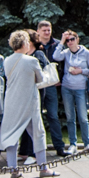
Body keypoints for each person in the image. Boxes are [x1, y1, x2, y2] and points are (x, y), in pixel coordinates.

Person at [0, 30, 57, 178]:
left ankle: (13, 169)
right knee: (38, 133)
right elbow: (41, 79)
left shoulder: (7, 60)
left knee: (11, 135)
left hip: (12, 101)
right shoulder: (31, 61)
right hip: (29, 101)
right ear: (25, 43)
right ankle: (43, 168)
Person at [56, 30, 89, 153]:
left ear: (77, 39)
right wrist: (61, 41)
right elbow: (56, 56)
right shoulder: (66, 52)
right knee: (70, 118)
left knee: (83, 118)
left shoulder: (85, 52)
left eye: (72, 39)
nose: (70, 42)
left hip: (81, 89)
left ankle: (87, 144)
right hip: (67, 88)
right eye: (68, 40)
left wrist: (81, 71)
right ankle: (73, 144)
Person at [32, 19, 67, 157]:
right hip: (38, 85)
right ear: (38, 31)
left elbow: (64, 62)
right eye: (44, 30)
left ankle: (59, 147)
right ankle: (34, 150)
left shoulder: (57, 44)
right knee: (36, 116)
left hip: (51, 85)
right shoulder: (34, 45)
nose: (47, 33)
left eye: (49, 30)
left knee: (53, 115)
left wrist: (60, 78)